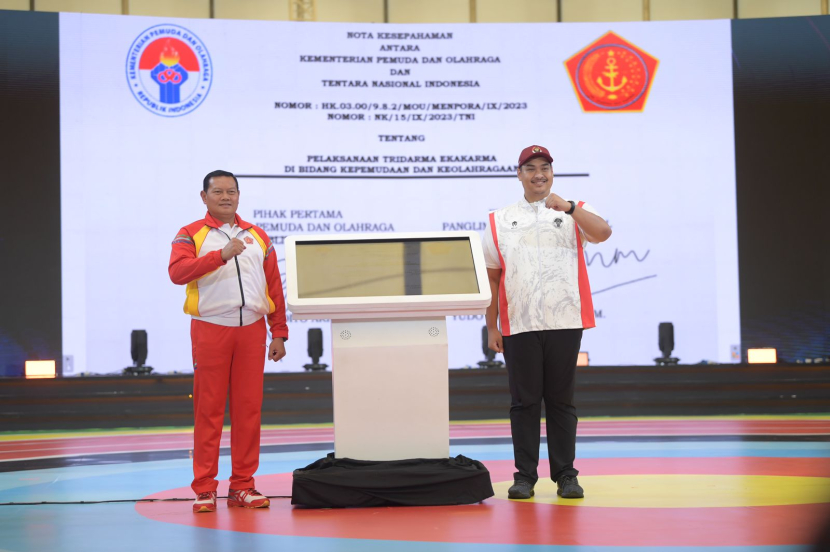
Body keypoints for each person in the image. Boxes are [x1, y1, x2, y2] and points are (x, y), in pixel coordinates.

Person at [482, 145, 612, 500]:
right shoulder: (499, 219)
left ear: (552, 172)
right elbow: (493, 278)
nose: (539, 174)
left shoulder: (575, 211)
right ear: (519, 174)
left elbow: (602, 233)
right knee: (523, 402)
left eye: (545, 167)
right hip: (519, 324)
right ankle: (524, 476)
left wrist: (569, 207)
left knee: (560, 401)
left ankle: (566, 476)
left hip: (565, 319)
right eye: (530, 168)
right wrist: (492, 326)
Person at [169, 170, 288, 513]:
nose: (225, 197)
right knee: (208, 410)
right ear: (204, 197)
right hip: (211, 328)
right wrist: (220, 255)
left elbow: (272, 287)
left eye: (231, 191)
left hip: (251, 330)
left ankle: (243, 485)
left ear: (239, 196)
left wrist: (278, 331)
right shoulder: (190, 233)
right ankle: (205, 488)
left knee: (249, 410)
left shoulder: (258, 235)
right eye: (218, 192)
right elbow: (177, 273)